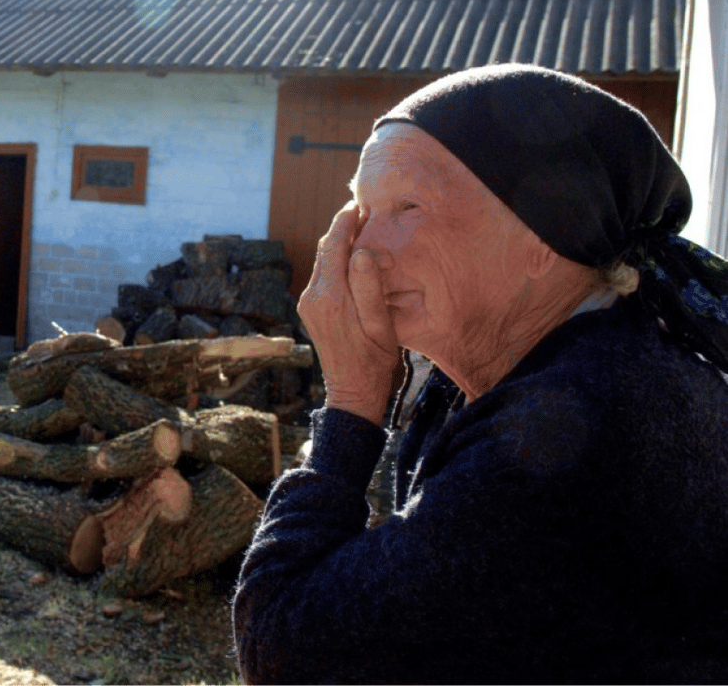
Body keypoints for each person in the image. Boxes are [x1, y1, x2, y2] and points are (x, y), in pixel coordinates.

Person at [231, 64, 728, 685]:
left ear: (546, 237)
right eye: (363, 208)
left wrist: (353, 403)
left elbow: (287, 653)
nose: (364, 246)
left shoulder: (589, 420)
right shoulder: (520, 370)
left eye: (407, 206)